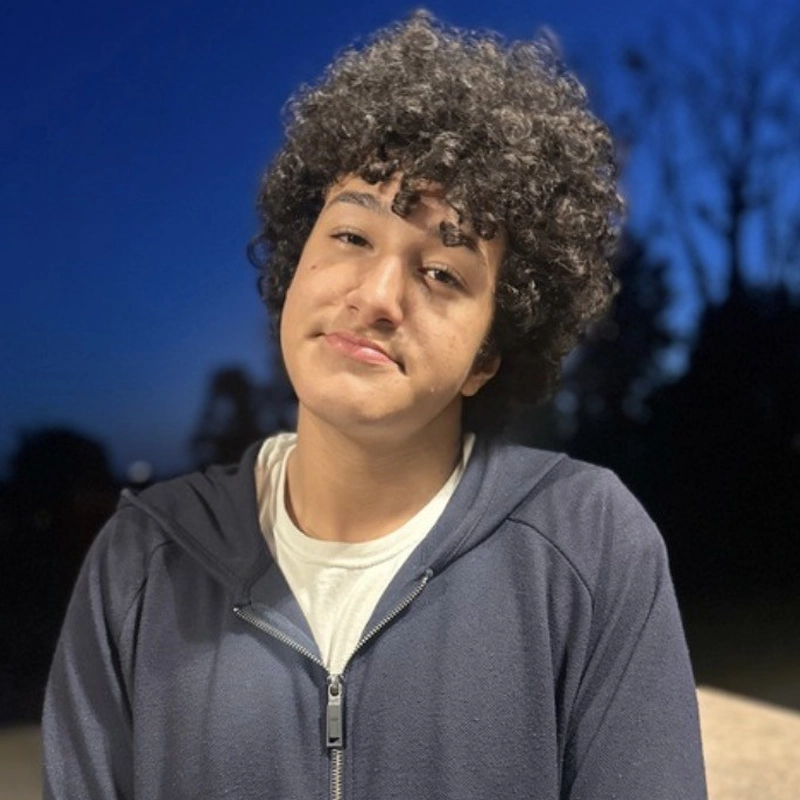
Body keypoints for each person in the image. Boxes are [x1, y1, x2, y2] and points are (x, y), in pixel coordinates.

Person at [42, 12, 707, 799]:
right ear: (296, 262)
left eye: (443, 274)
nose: (379, 296)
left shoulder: (588, 545)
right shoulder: (142, 562)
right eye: (353, 236)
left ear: (487, 356)